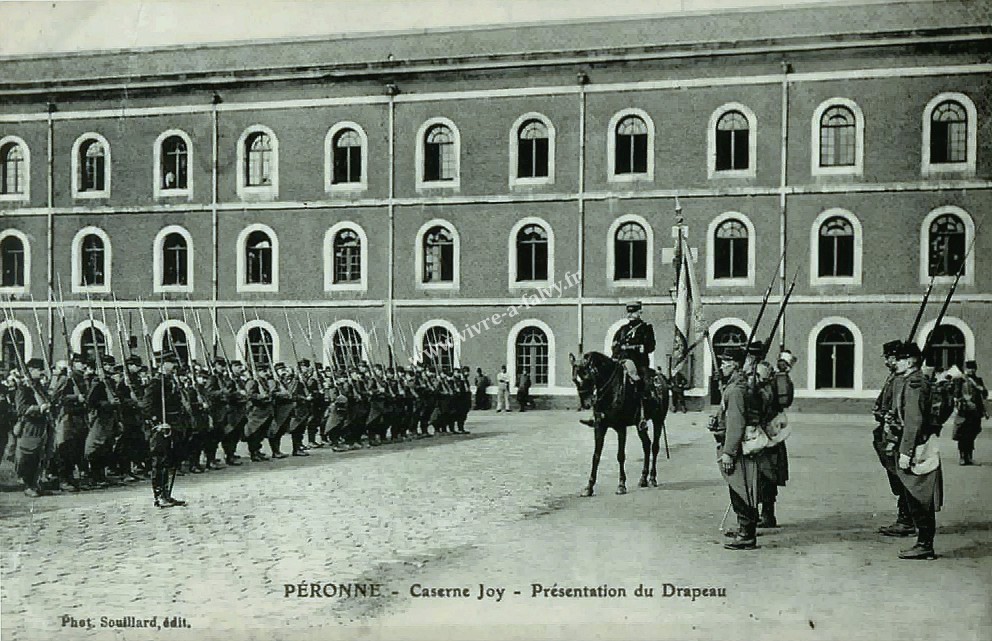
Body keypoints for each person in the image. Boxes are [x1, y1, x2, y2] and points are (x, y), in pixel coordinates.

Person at [891, 342, 942, 559]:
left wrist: (906, 452)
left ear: (911, 361)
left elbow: (913, 420)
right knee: (917, 495)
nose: (896, 363)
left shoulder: (915, 383)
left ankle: (925, 544)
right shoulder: (913, 380)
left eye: (900, 359)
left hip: (918, 447)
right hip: (919, 443)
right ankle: (924, 543)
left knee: (919, 495)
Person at [711, 346, 760, 550]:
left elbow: (736, 424)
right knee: (739, 488)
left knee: (742, 489)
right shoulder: (734, 387)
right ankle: (744, 528)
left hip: (736, 450)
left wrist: (728, 453)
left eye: (725, 362)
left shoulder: (736, 390)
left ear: (735, 365)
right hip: (734, 446)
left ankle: (747, 535)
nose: (721, 366)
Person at [580, 300, 656, 428]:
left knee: (640, 383)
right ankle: (597, 414)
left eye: (634, 312)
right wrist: (617, 352)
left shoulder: (646, 328)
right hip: (621, 361)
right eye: (629, 312)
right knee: (602, 380)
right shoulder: (622, 330)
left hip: (638, 362)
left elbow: (650, 346)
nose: (631, 314)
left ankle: (642, 415)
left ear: (640, 312)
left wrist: (636, 348)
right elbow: (615, 346)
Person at [140, 350, 188, 508]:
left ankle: (167, 494)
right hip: (160, 427)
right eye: (171, 362)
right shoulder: (155, 382)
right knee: (159, 461)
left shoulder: (169, 380)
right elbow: (146, 407)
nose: (174, 365)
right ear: (163, 363)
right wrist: (158, 423)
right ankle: (159, 496)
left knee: (169, 461)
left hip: (173, 425)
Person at [954, 360, 987, 465]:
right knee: (963, 434)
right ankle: (962, 457)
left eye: (972, 368)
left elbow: (984, 394)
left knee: (972, 434)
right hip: (964, 411)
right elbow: (956, 394)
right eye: (968, 368)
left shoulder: (978, 380)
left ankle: (970, 456)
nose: (971, 371)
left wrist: (980, 388)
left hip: (976, 412)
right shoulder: (960, 380)